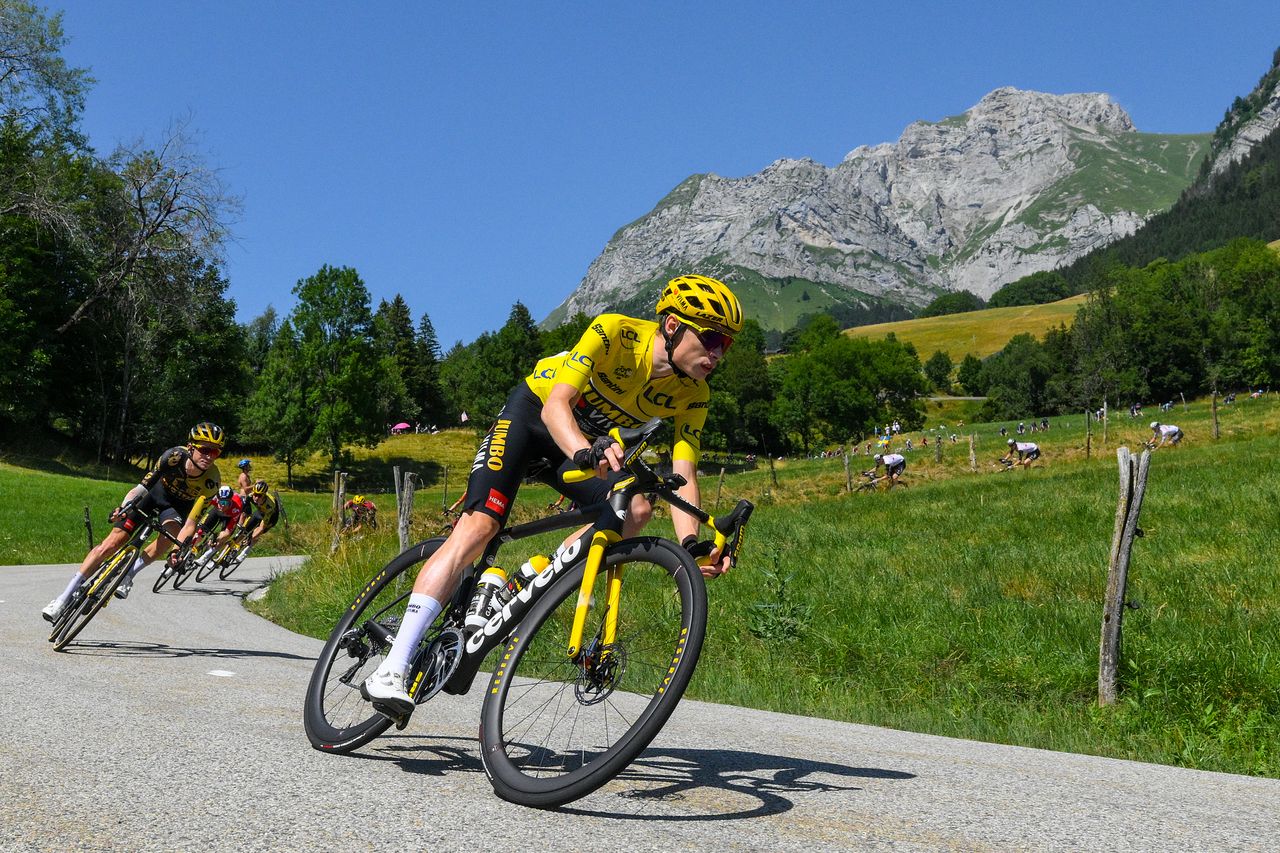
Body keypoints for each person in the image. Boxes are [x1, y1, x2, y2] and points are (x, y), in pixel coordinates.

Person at [361, 273, 741, 717]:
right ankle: (392, 666)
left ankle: (527, 581)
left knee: (636, 507)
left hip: (583, 446)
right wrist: (584, 450)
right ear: (673, 326)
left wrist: (692, 545)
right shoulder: (615, 331)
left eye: (726, 345)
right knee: (480, 527)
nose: (717, 353)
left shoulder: (694, 392)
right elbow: (556, 404)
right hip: (535, 421)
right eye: (711, 337)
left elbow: (683, 472)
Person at [42, 423, 225, 619]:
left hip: (177, 508)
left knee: (171, 536)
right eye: (205, 449)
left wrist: (177, 551)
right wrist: (123, 509)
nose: (209, 456)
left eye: (215, 452)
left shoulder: (212, 482)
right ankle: (62, 598)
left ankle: (129, 574)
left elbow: (190, 523)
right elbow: (141, 488)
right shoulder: (173, 457)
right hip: (154, 494)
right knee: (111, 543)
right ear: (191, 447)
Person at [193, 485, 247, 566]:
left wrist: (218, 538)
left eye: (225, 502)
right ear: (217, 499)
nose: (222, 505)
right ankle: (188, 551)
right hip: (216, 511)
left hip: (230, 517)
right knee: (200, 531)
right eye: (220, 502)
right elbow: (201, 509)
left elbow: (228, 531)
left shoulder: (236, 508)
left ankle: (205, 557)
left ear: (230, 501)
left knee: (222, 538)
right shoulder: (214, 499)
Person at [239, 479, 282, 552]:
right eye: (255, 494)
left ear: (264, 495)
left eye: (259, 496)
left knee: (255, 533)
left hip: (271, 517)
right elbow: (243, 513)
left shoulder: (270, 505)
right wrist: (240, 525)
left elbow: (261, 528)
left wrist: (251, 538)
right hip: (260, 512)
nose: (256, 497)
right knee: (244, 531)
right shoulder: (250, 496)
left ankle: (244, 553)